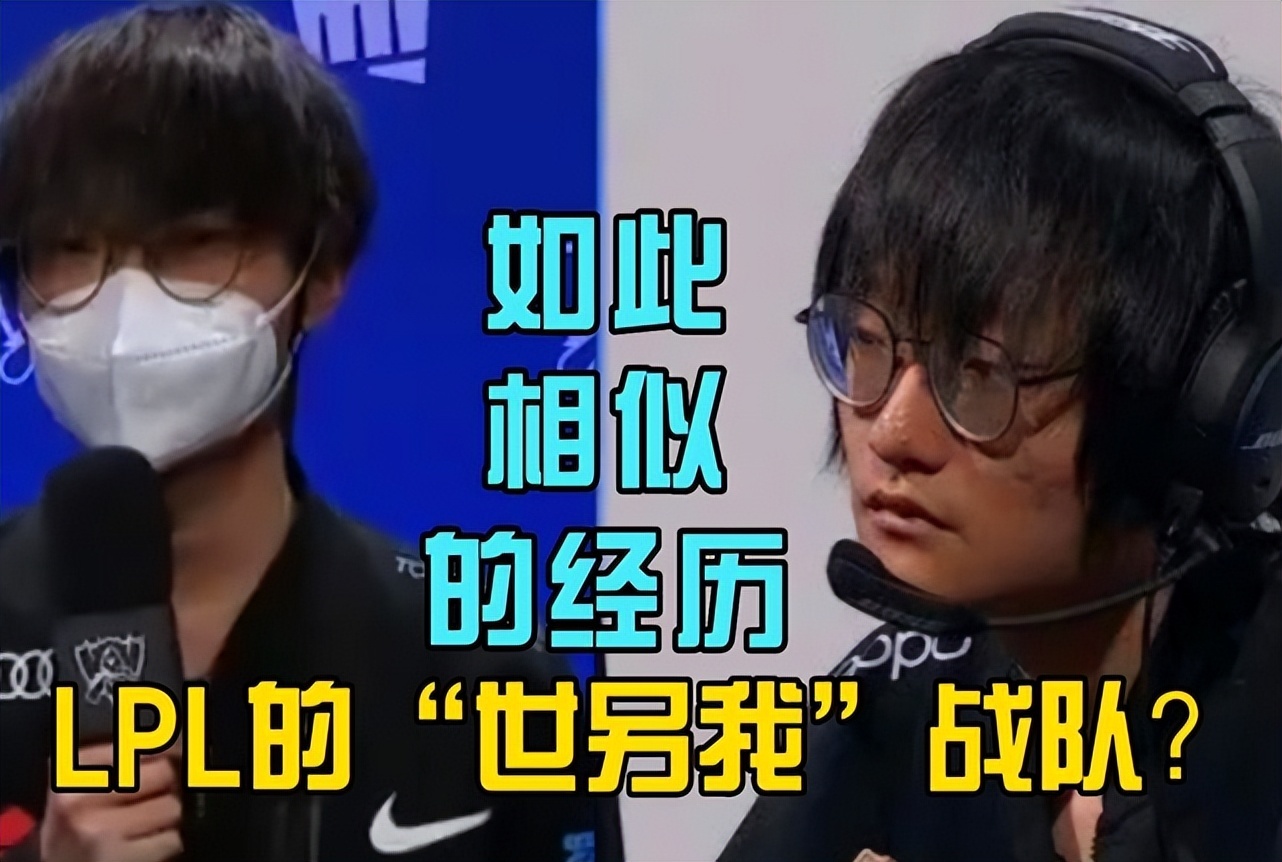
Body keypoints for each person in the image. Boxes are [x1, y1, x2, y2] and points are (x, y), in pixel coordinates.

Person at [0, 3, 608, 861]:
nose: (125, 308)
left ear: (321, 273)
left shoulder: (481, 668)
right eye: (72, 247)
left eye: (193, 243)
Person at [720, 8, 1281, 862]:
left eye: (979, 373)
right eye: (866, 343)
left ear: (1198, 404)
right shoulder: (895, 708)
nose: (894, 433)